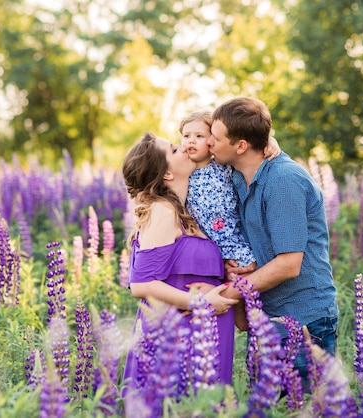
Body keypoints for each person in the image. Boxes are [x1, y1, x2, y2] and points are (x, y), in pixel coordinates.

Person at [207, 97, 339, 389]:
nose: (209, 144)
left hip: (304, 319)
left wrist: (229, 294)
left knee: (303, 409)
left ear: (241, 146)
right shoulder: (239, 174)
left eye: (215, 139)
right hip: (265, 316)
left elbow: (288, 265)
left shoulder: (283, 181)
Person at [120, 132, 238, 395]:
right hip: (177, 334)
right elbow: (141, 284)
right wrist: (202, 303)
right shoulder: (163, 210)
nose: (184, 147)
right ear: (167, 175)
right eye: (174, 150)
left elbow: (227, 145)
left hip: (203, 331)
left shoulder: (188, 211)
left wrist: (267, 143)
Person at [179, 110, 280, 329]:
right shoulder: (181, 168)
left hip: (232, 243)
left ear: (212, 142)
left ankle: (256, 333)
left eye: (199, 136)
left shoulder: (225, 167)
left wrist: (270, 141)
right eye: (186, 136)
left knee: (245, 315)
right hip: (205, 248)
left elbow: (246, 144)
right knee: (215, 308)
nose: (191, 141)